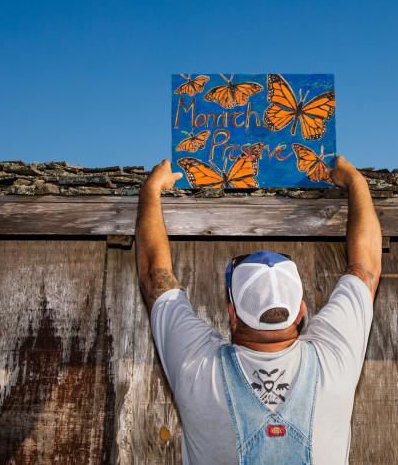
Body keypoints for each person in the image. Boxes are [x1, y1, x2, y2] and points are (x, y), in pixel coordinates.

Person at [136, 155, 381, 464]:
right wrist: (356, 181)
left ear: (232, 314)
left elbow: (152, 275)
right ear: (301, 311)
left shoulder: (198, 367)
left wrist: (151, 189)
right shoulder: (334, 360)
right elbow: (367, 264)